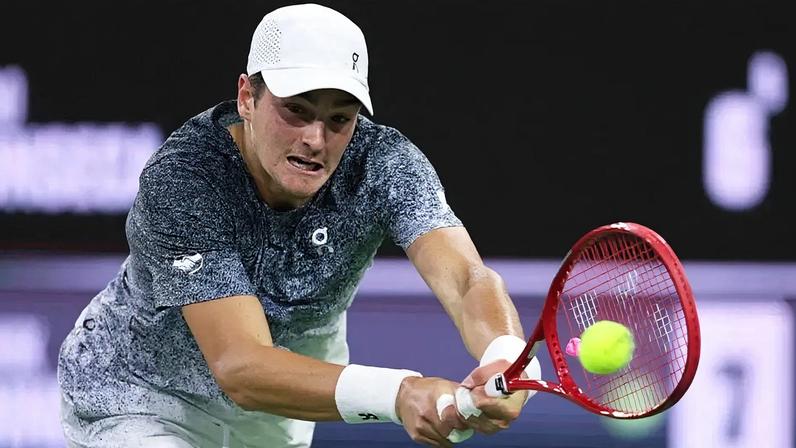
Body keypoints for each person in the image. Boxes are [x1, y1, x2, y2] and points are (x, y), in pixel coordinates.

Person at [57, 3, 541, 447]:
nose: (315, 139)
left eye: (338, 118)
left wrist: (505, 356)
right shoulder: (186, 179)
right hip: (136, 399)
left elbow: (465, 277)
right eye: (296, 110)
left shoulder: (383, 162)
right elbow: (240, 366)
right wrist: (399, 392)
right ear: (247, 97)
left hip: (273, 422)